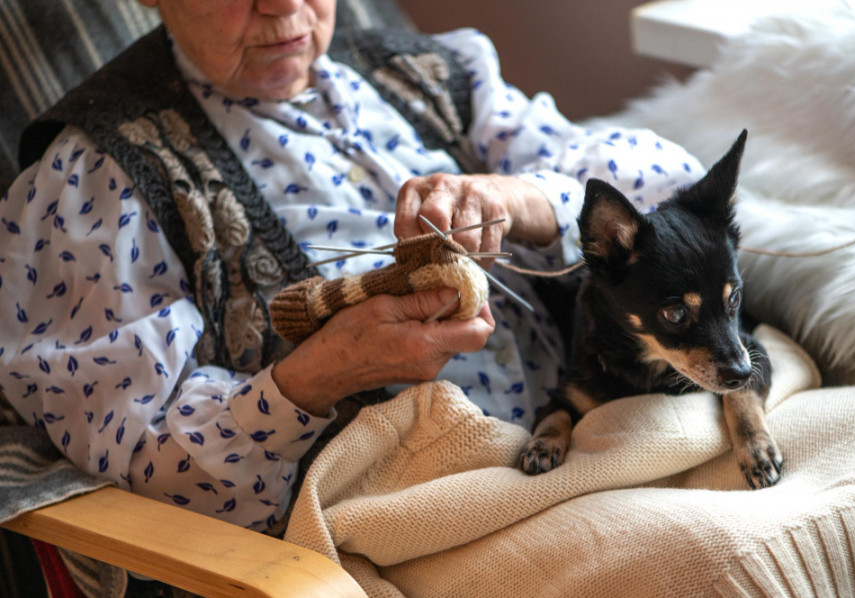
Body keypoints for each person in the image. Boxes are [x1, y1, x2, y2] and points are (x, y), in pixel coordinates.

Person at [0, 0, 703, 532]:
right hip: (410, 525)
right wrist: (321, 374)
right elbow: (140, 456)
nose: (281, 7)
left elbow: (681, 188)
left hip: (599, 434)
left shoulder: (425, 72)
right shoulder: (94, 180)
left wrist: (528, 198)